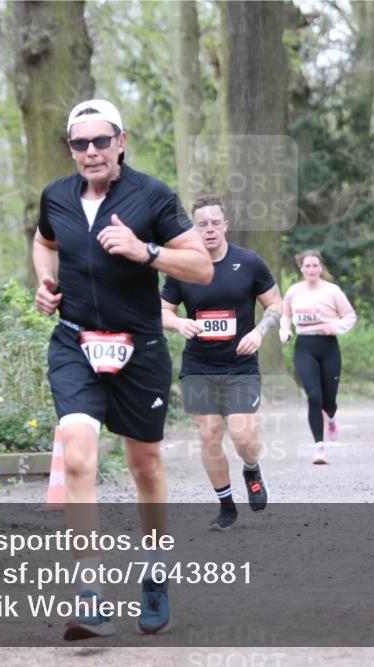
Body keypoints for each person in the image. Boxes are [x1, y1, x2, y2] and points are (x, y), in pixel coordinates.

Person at [33, 99, 213, 639]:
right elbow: (44, 243)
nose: (91, 152)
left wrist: (145, 251)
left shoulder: (151, 196)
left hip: (139, 348)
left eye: (101, 141)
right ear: (70, 149)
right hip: (74, 342)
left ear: (121, 141)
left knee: (146, 466)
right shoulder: (56, 197)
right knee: (78, 453)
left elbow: (201, 268)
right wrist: (44, 284)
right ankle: (90, 593)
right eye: (79, 143)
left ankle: (155, 574)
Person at [160, 195, 282, 531]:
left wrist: (259, 332)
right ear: (194, 229)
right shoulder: (183, 267)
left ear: (225, 225)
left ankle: (251, 469)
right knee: (209, 433)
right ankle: (226, 506)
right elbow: (163, 311)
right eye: (202, 224)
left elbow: (275, 304)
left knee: (244, 437)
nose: (209, 229)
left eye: (215, 223)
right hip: (199, 366)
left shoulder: (250, 262)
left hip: (240, 365)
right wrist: (179, 324)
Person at [279, 249, 356, 465]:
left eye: (315, 265)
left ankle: (330, 417)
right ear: (301, 268)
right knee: (314, 396)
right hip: (305, 347)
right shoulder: (294, 291)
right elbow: (286, 315)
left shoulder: (333, 291)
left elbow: (349, 316)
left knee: (328, 399)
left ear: (320, 268)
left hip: (329, 346)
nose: (311, 269)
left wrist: (334, 327)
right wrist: (284, 331)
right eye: (307, 266)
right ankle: (319, 448)